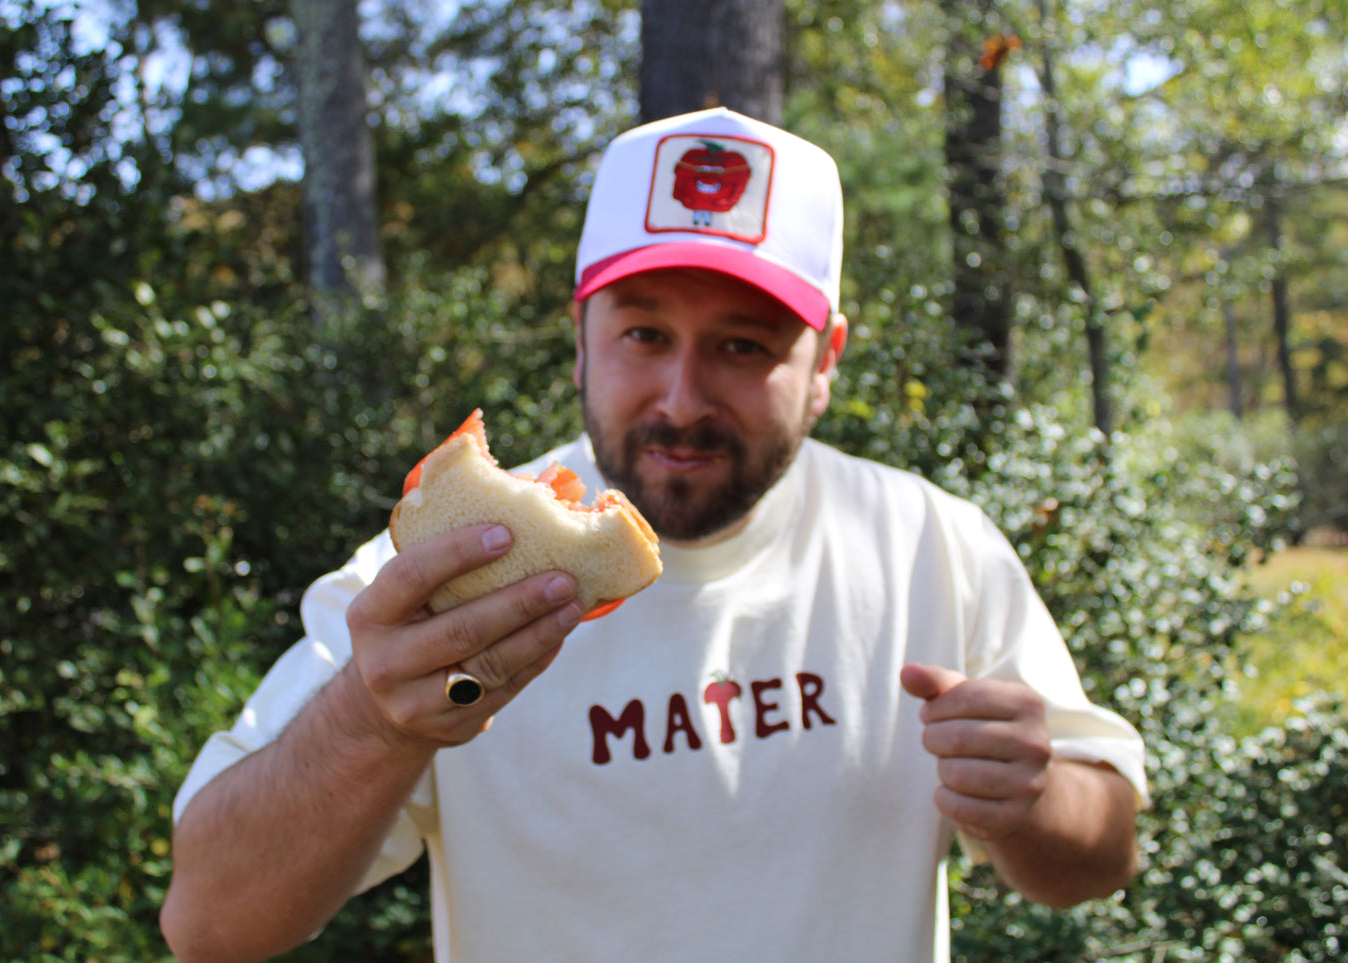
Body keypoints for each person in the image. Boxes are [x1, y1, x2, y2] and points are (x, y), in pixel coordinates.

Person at [160, 107, 1147, 963]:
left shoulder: (926, 544)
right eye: (642, 334)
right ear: (580, 334)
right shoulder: (433, 587)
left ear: (824, 362)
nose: (681, 400)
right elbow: (210, 926)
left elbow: (1099, 857)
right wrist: (372, 724)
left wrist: (1033, 796)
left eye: (742, 345)